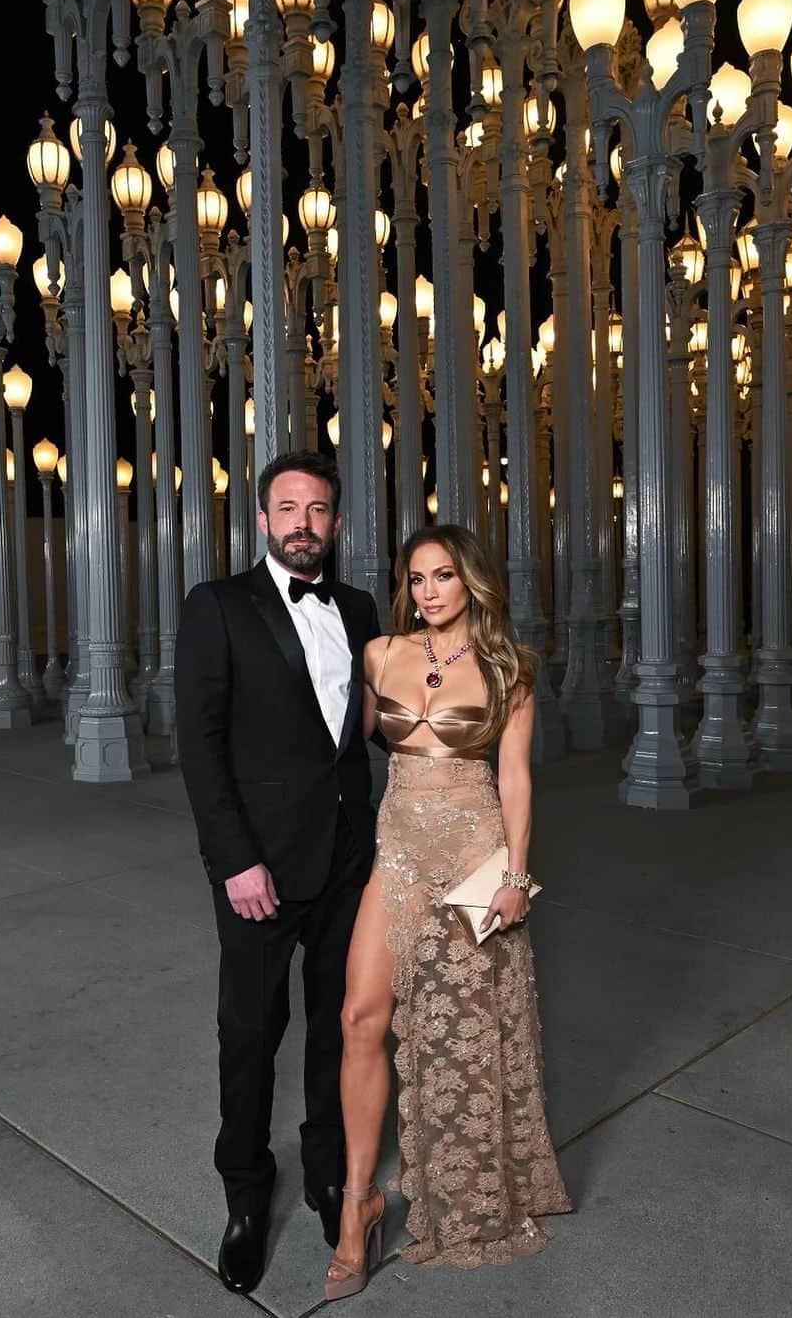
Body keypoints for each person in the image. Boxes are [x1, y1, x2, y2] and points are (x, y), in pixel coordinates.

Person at [323, 525, 571, 1299]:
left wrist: (516, 879)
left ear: (472, 582)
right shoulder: (380, 655)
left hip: (473, 860)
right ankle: (359, 1202)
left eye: (443, 576)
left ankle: (469, 1191)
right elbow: (338, 737)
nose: (429, 591)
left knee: (466, 1032)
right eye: (417, 578)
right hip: (395, 853)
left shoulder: (509, 667)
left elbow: (517, 781)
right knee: (361, 1016)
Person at [175, 451, 382, 1295]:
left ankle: (333, 1180)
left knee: (340, 1027)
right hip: (259, 868)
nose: (304, 521)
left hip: (349, 863)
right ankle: (246, 1197)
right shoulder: (218, 606)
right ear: (262, 519)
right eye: (288, 507)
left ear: (335, 522)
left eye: (319, 508)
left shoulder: (363, 609)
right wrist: (235, 862)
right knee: (251, 1036)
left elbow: (377, 726)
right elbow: (201, 744)